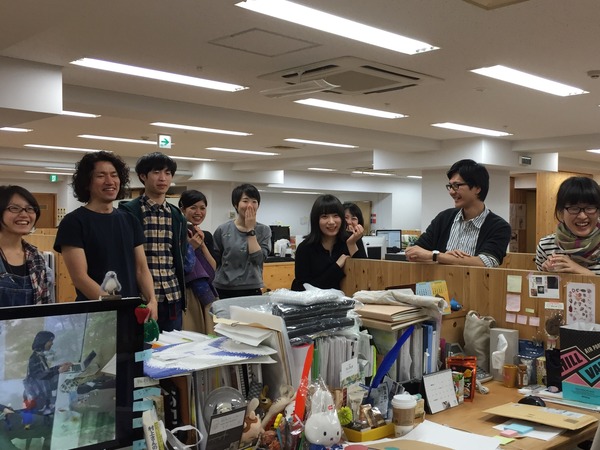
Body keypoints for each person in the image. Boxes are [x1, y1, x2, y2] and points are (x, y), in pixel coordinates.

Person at [53, 151, 158, 320]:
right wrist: (115, 307)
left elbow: (141, 269)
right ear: (87, 183)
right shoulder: (73, 222)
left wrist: (152, 300)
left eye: (114, 175)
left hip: (131, 312)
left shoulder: (130, 220)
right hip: (95, 315)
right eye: (101, 176)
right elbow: (80, 278)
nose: (110, 181)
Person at [120, 152, 187, 331]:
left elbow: (179, 255)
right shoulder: (129, 212)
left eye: (167, 173)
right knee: (141, 346)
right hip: (140, 298)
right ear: (143, 176)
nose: (163, 178)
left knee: (172, 345)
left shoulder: (177, 215)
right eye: (156, 172)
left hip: (172, 295)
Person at [405, 159, 511, 267]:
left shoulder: (499, 227)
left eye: (457, 185)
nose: (451, 192)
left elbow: (485, 263)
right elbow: (412, 252)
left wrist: (437, 256)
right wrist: (445, 258)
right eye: (450, 186)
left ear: (477, 188)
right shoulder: (444, 218)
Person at [292, 194, 366, 291]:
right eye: (324, 216)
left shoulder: (352, 240)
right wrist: (337, 266)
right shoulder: (305, 248)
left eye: (336, 216)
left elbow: (364, 276)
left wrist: (351, 244)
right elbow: (303, 289)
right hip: (317, 300)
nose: (331, 222)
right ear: (316, 220)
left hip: (351, 299)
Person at [213, 184, 271, 299]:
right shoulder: (223, 229)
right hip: (224, 288)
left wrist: (250, 230)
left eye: (254, 202)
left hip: (252, 288)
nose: (250, 205)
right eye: (245, 201)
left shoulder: (264, 230)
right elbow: (216, 260)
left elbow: (258, 259)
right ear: (236, 204)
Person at [536, 176, 600, 275]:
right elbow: (540, 284)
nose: (582, 216)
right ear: (561, 212)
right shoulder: (546, 245)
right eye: (574, 208)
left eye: (590, 208)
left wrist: (581, 271)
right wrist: (546, 275)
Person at [0, 185, 51, 306]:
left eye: (30, 209)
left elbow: (45, 304)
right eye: (14, 208)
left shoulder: (36, 257)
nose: (24, 214)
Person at [179, 189, 218, 333]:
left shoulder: (205, 235)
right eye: (193, 207)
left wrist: (201, 245)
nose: (198, 212)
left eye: (202, 208)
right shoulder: (178, 233)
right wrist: (190, 247)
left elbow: (212, 268)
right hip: (187, 293)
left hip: (207, 292)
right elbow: (182, 267)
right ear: (183, 209)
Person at [24, 331, 72, 415]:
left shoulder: (39, 355)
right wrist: (58, 371)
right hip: (39, 398)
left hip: (42, 396)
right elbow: (40, 375)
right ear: (43, 341)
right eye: (50, 341)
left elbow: (45, 371)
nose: (52, 343)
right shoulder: (35, 358)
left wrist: (59, 367)